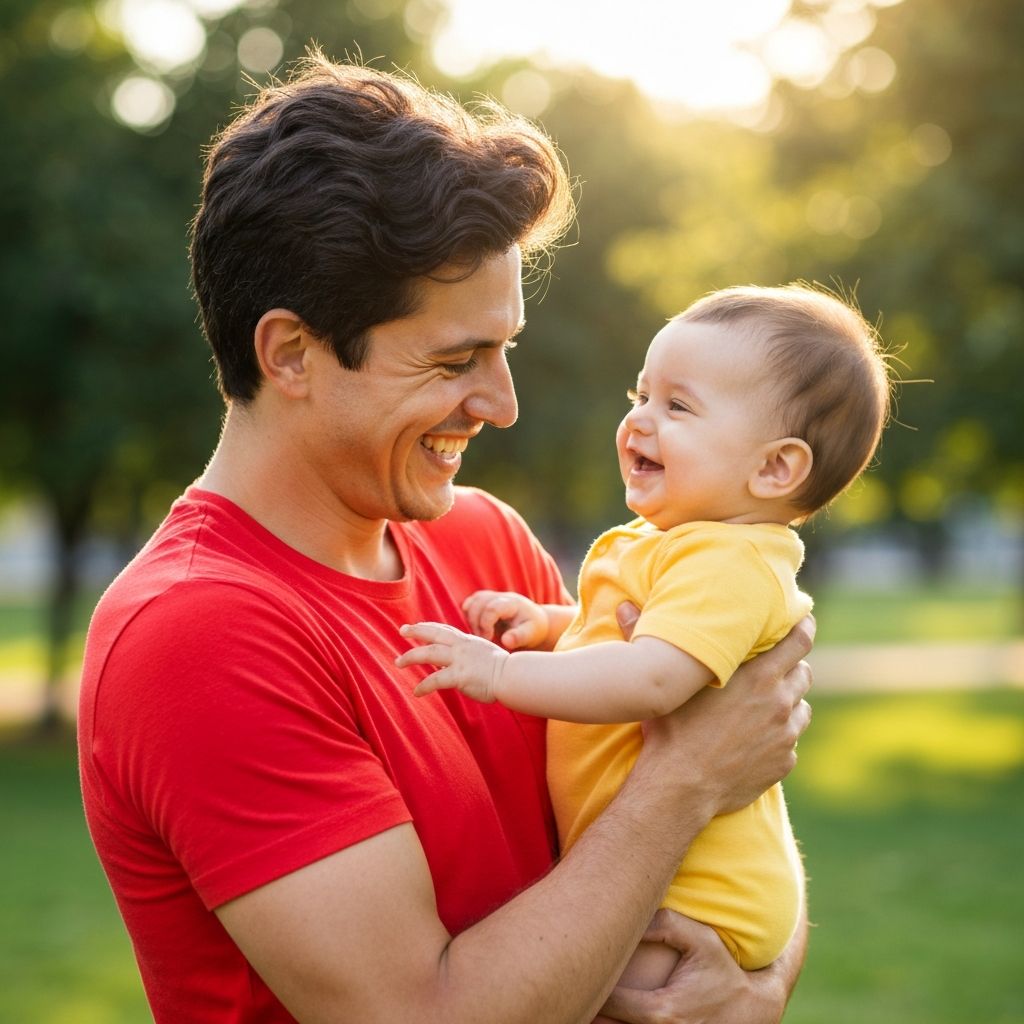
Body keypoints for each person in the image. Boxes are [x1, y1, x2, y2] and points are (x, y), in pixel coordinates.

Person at [78, 55, 814, 1024]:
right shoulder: (198, 634)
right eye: (454, 360)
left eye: (503, 349)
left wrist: (756, 985)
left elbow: (716, 844)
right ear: (291, 353)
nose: (501, 405)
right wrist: (682, 782)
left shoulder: (486, 545)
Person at [399, 284, 890, 988]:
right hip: (661, 874)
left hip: (696, 898)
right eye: (640, 396)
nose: (638, 423)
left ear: (775, 467)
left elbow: (652, 678)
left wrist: (501, 675)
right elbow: (628, 640)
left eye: (678, 407)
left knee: (596, 995)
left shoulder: (730, 561)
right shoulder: (668, 545)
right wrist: (551, 626)